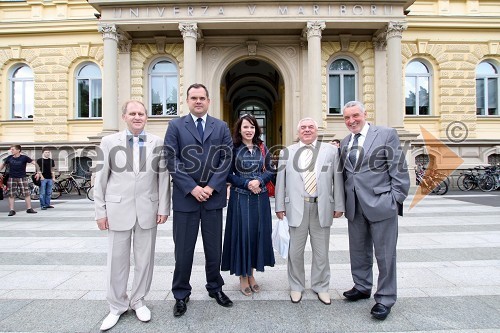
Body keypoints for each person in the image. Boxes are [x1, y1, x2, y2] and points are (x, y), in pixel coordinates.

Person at [94, 100, 170, 331]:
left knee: (145, 260)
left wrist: (163, 208)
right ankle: (116, 305)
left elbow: (163, 177)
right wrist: (100, 211)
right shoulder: (108, 142)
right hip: (117, 210)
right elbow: (99, 178)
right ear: (124, 116)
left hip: (148, 209)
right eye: (133, 113)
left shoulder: (158, 142)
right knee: (117, 261)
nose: (137, 117)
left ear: (146, 117)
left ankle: (138, 300)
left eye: (141, 113)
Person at [164, 83, 233, 317]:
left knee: (214, 249)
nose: (198, 101)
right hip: (186, 199)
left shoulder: (221, 127)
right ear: (187, 100)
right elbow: (171, 159)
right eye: (194, 98)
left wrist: (212, 186)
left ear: (209, 101)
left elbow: (226, 159)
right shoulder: (175, 126)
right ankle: (181, 294)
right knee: (183, 251)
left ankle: (215, 288)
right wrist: (193, 188)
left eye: (202, 97)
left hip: (213, 199)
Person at [340, 101, 410, 320]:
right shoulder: (344, 142)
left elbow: (399, 170)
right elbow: (346, 174)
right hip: (355, 206)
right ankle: (362, 286)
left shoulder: (386, 135)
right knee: (358, 251)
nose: (351, 121)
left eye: (355, 115)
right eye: (347, 118)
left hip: (382, 204)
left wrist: (394, 200)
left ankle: (385, 298)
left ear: (365, 114)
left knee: (385, 255)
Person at [275, 118, 345, 305]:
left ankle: (321, 286)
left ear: (316, 130)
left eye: (310, 127)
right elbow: (280, 181)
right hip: (295, 208)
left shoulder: (330, 151)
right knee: (295, 253)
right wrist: (279, 206)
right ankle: (296, 286)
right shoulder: (287, 152)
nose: (307, 130)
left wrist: (339, 205)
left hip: (321, 207)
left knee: (321, 252)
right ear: (298, 132)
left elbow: (337, 179)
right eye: (303, 127)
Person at [221, 114, 275, 296]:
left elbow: (271, 170)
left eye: (252, 127)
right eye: (245, 127)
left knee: (255, 235)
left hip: (260, 198)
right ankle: (242, 276)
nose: (249, 130)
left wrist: (259, 180)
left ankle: (251, 274)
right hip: (240, 198)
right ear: (239, 129)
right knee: (242, 235)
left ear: (256, 129)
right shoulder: (233, 148)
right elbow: (227, 174)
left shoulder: (262, 146)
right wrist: (246, 183)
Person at [0, 145, 39, 216]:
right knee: (11, 194)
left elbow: (35, 163)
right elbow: (2, 165)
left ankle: (29, 208)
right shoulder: (9, 158)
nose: (11, 151)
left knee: (26, 193)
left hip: (22, 178)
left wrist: (38, 172)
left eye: (13, 149)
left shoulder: (24, 158)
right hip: (12, 178)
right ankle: (12, 210)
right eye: (11, 149)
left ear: (18, 150)